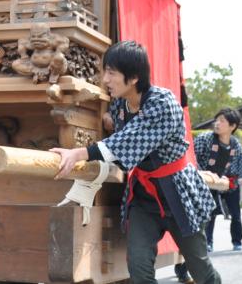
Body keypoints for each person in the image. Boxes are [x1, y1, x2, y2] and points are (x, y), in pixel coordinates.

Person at [52, 40, 220, 284]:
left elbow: (129, 139)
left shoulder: (164, 103)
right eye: (105, 71)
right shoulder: (121, 102)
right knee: (139, 268)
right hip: (144, 198)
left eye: (111, 73)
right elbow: (121, 131)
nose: (105, 79)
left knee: (201, 270)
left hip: (178, 194)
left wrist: (79, 153)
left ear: (133, 78)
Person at [193, 108, 242, 252]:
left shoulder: (236, 145)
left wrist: (234, 179)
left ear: (232, 126)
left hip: (228, 182)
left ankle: (237, 241)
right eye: (216, 120)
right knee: (209, 213)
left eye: (222, 121)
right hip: (207, 182)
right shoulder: (204, 139)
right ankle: (208, 242)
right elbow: (193, 161)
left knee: (236, 214)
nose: (217, 123)